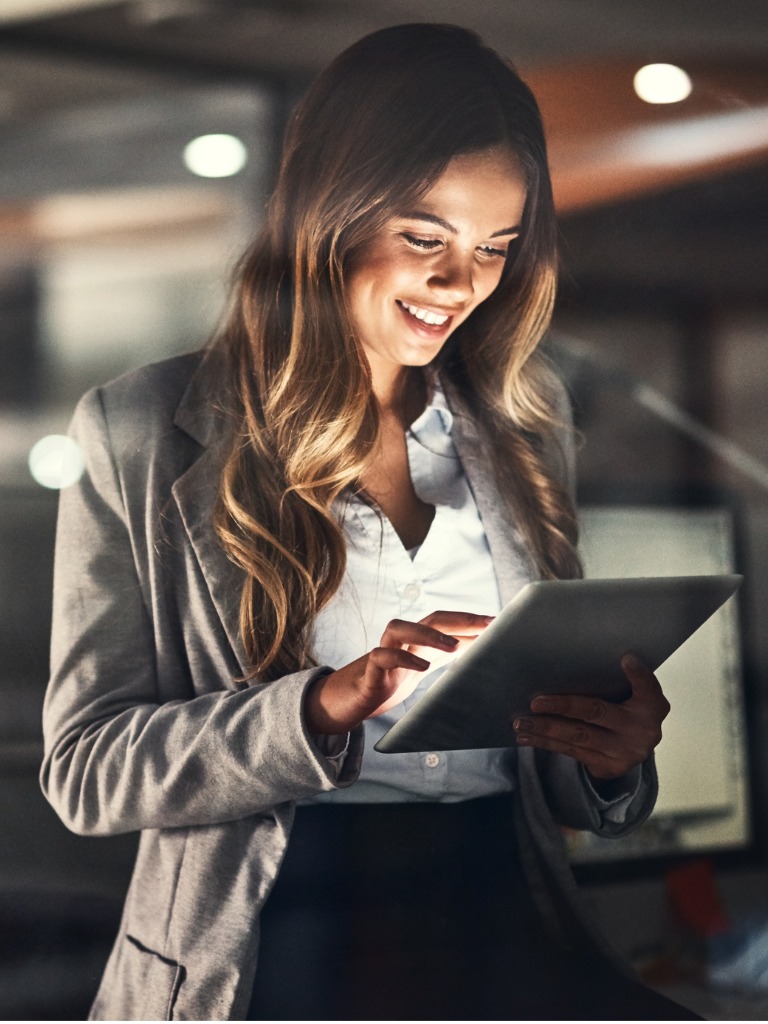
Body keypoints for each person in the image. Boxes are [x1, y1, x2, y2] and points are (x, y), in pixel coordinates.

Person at [41, 23, 700, 1021]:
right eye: (425, 238)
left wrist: (608, 760)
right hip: (276, 947)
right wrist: (316, 707)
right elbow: (86, 771)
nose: (459, 284)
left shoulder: (527, 424)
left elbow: (546, 787)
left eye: (495, 249)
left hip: (501, 928)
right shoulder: (141, 431)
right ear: (329, 214)